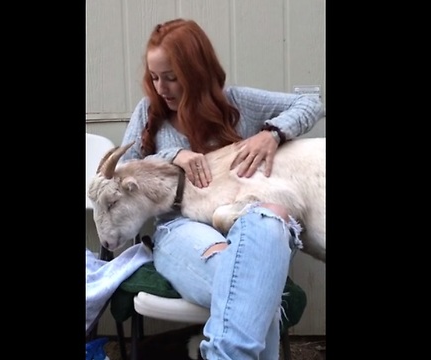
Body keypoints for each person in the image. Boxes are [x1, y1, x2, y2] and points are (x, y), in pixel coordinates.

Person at [117, 18, 324, 360]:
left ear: (197, 72)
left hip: (247, 224)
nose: (161, 88)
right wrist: (174, 155)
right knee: (257, 291)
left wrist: (272, 134)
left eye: (171, 77)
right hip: (183, 230)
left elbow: (311, 103)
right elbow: (123, 171)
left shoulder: (238, 103)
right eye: (154, 78)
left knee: (272, 222)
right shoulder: (148, 112)